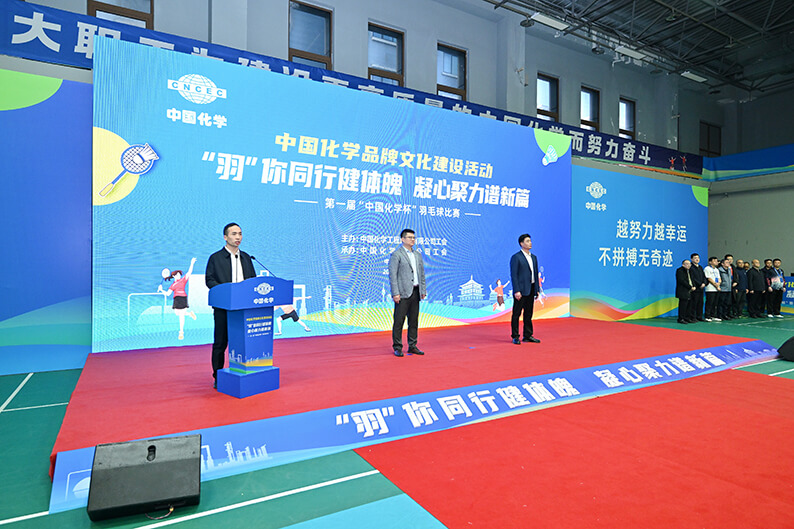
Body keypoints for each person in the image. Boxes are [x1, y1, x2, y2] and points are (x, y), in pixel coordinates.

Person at [205, 223, 256, 388]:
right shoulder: (215, 258)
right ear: (225, 237)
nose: (238, 237)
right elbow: (209, 280)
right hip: (223, 308)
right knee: (220, 344)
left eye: (240, 233)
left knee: (243, 343)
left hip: (244, 309)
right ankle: (218, 376)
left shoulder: (246, 257)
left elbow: (253, 281)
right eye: (234, 234)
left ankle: (244, 372)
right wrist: (226, 292)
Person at [388, 228, 427, 357]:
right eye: (410, 237)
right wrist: (395, 293)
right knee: (399, 321)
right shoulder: (396, 255)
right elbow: (393, 275)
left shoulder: (417, 255)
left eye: (414, 238)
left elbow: (421, 274)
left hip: (415, 291)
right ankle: (397, 347)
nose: (412, 240)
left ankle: (412, 345)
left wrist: (422, 289)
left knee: (413, 321)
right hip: (402, 293)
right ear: (402, 239)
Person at [509, 234, 542, 344]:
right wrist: (516, 290)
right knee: (516, 314)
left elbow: (535, 274)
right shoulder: (516, 257)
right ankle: (515, 336)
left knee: (528, 314)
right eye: (527, 241)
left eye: (530, 241)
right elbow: (514, 275)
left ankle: (528, 335)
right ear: (521, 243)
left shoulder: (534, 257)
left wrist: (537, 289)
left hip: (531, 289)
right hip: (521, 290)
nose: (530, 243)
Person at [158, 257, 197, 340]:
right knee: (177, 313)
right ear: (173, 276)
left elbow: (189, 272)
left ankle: (181, 332)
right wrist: (161, 290)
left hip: (182, 298)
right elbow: (168, 294)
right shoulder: (173, 285)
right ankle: (190, 314)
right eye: (177, 274)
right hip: (176, 300)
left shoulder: (183, 280)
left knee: (181, 316)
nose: (179, 275)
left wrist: (192, 263)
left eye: (180, 274)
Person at [675, 259, 696, 324]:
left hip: (690, 291)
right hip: (683, 290)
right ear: (683, 265)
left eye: (689, 264)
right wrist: (690, 287)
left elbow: (692, 280)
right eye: (687, 264)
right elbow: (682, 281)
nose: (688, 265)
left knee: (689, 305)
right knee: (683, 306)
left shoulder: (690, 271)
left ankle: (687, 318)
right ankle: (681, 318)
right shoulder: (680, 270)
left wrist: (694, 286)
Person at [688, 253, 706, 321]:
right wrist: (700, 284)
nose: (697, 259)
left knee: (700, 303)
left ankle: (699, 316)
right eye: (695, 258)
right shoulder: (691, 267)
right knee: (694, 303)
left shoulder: (700, 267)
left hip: (701, 288)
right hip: (695, 288)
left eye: (698, 258)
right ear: (691, 259)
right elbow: (693, 278)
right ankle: (693, 317)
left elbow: (704, 276)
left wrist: (704, 283)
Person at [703, 256, 721, 322]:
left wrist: (718, 284)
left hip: (717, 288)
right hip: (710, 288)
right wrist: (715, 285)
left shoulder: (716, 269)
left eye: (716, 261)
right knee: (709, 303)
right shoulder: (707, 269)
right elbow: (709, 278)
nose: (716, 262)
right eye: (714, 261)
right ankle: (707, 316)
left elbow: (719, 278)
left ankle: (713, 315)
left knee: (715, 303)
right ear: (710, 262)